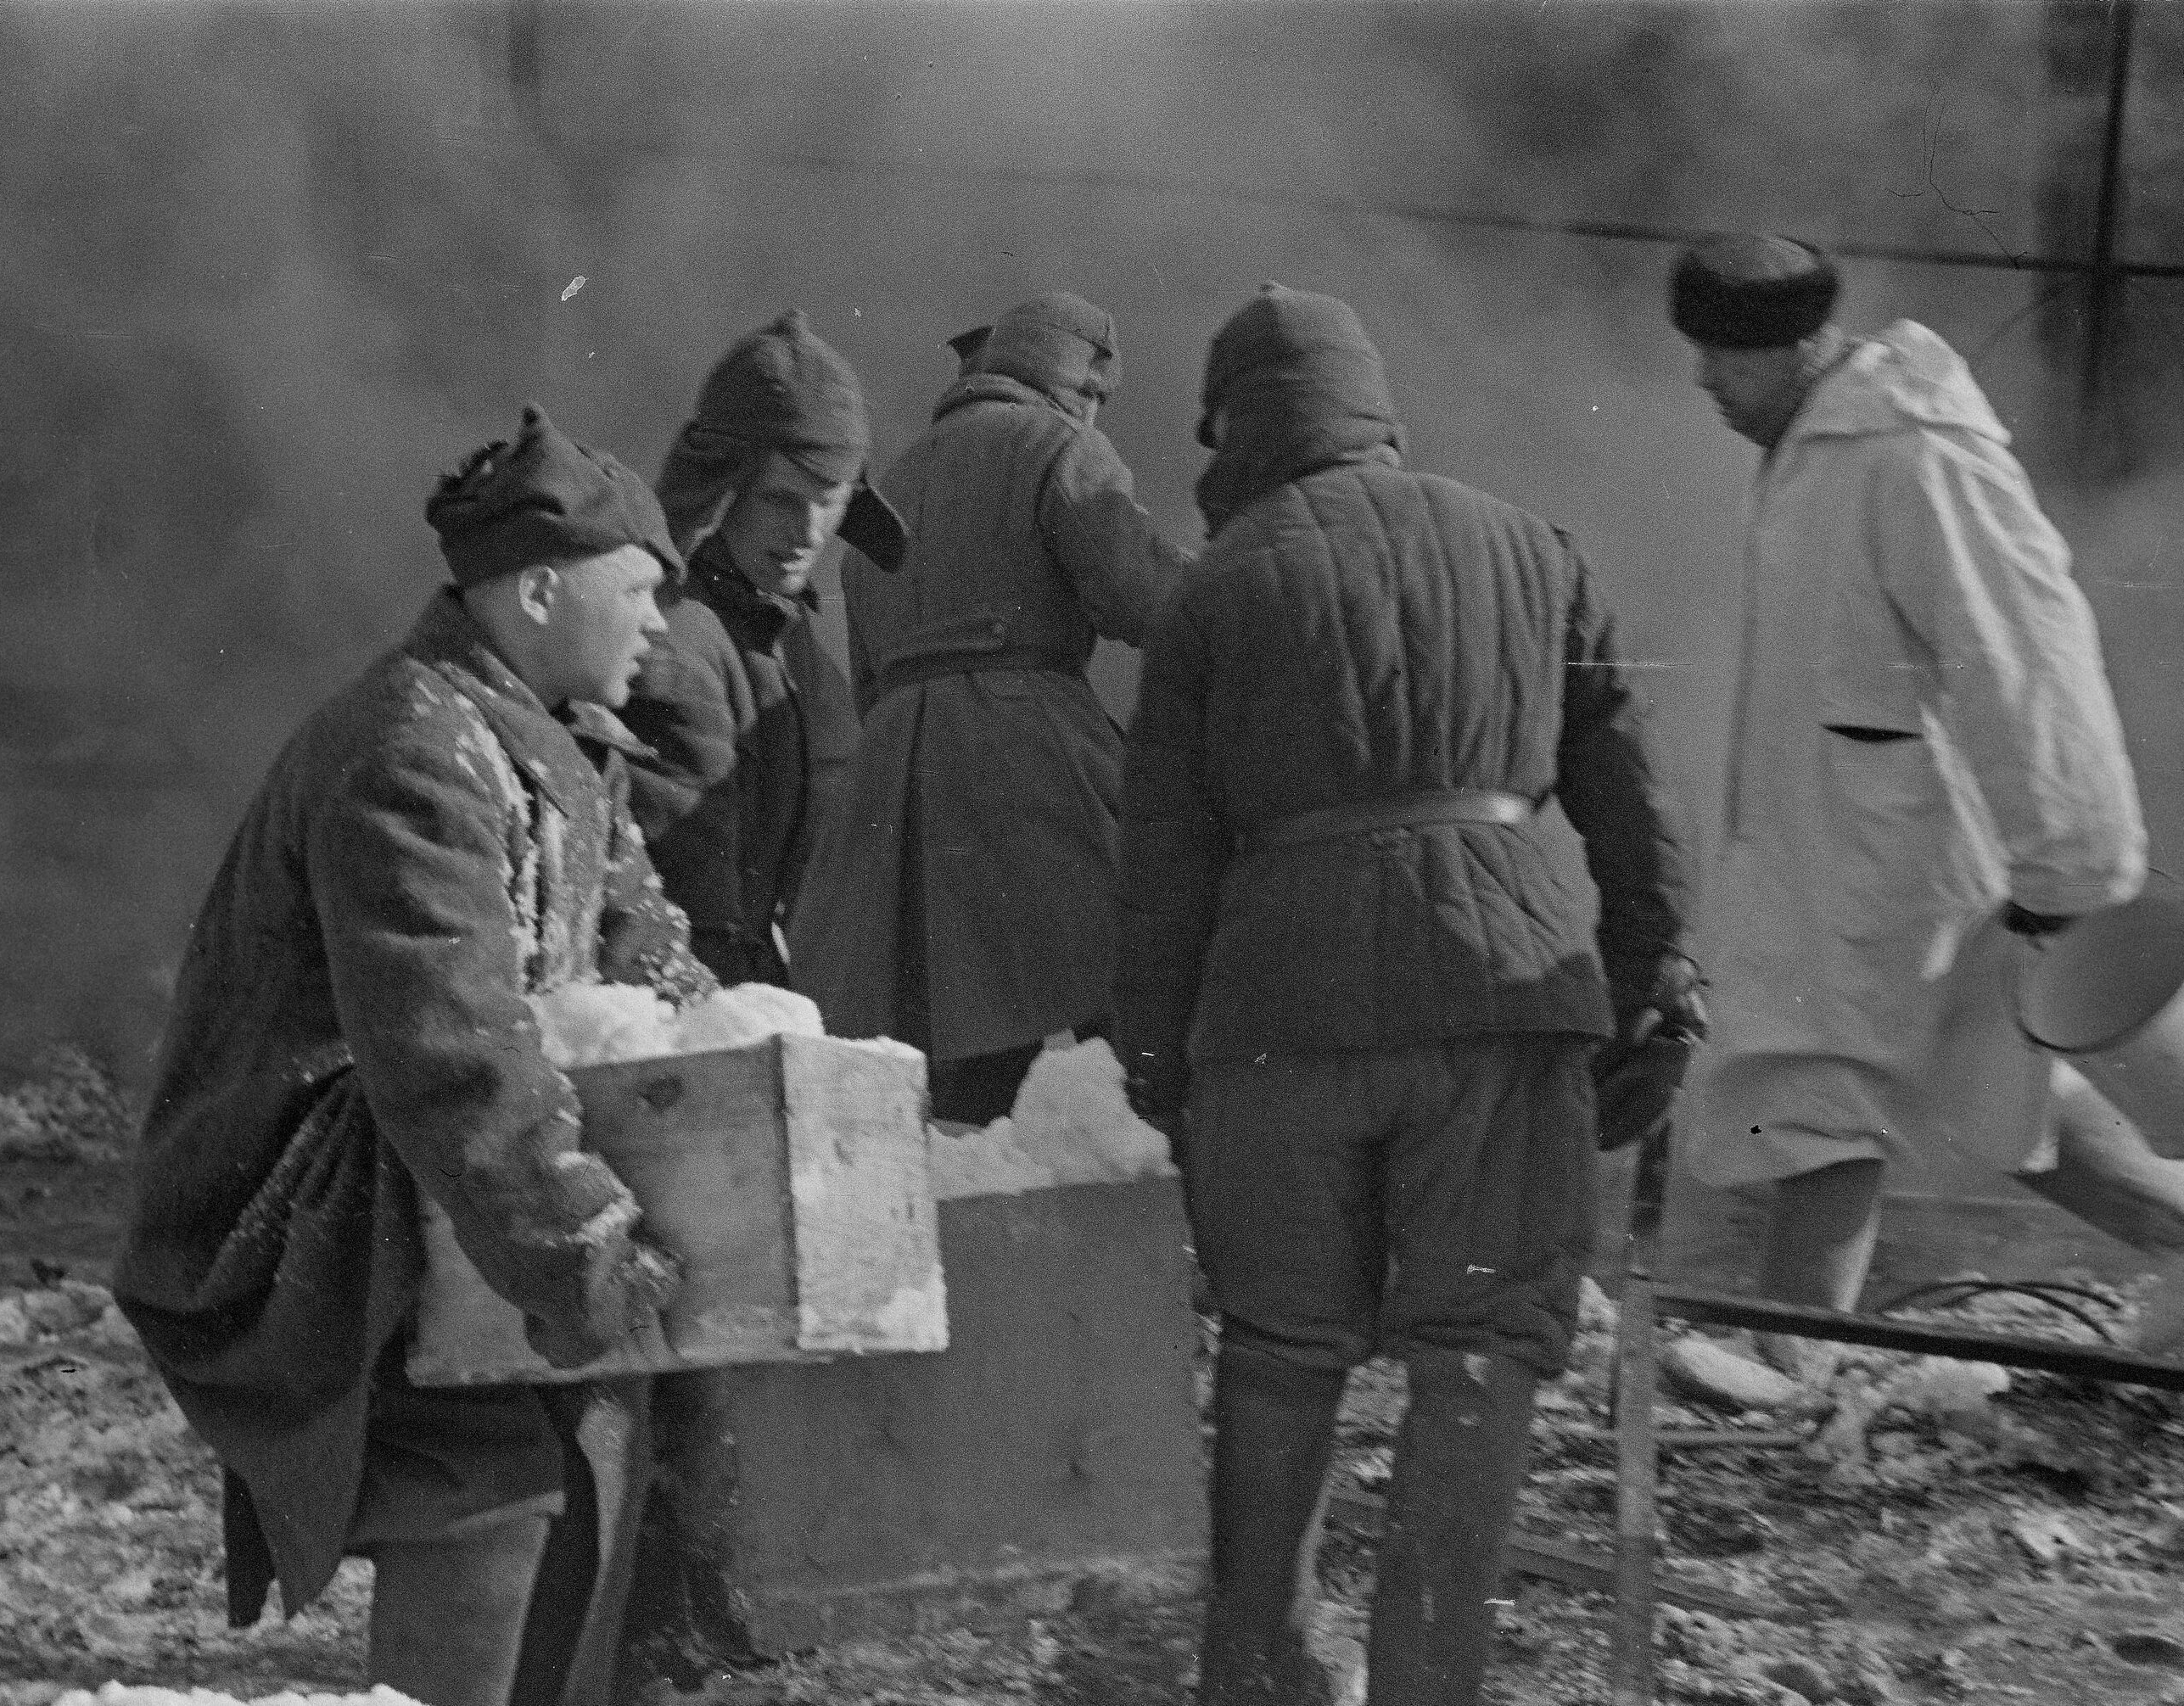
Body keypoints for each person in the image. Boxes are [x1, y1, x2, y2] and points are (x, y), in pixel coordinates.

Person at [1115, 284, 1699, 1706]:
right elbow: (1628, 793)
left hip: (1282, 1016)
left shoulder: (1216, 588)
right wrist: (1649, 982)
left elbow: (1165, 858)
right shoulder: (1529, 548)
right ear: (1373, 411)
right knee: (1482, 1354)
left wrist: (1155, 1062)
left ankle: (1259, 1670)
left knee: (1281, 1349)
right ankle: (1432, 1681)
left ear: (1236, 426)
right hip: (1508, 1000)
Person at [112, 406, 709, 1706]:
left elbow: (658, 971)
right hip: (311, 1209)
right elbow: (451, 1053)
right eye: (641, 593)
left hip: (426, 1181)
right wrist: (587, 1249)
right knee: (487, 1463)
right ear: (542, 590)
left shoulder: (547, 743)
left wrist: (754, 1074)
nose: (663, 625)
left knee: (605, 1418)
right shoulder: (412, 750)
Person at [1671, 233, 2184, 1375]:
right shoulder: (1824, 442)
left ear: (1809, 341)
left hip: (1893, 867)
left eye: (1731, 357)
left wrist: (2079, 867)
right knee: (1982, 1089)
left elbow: (2025, 656)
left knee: (1824, 1097)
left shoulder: (1914, 449)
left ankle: (1791, 1364)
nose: (1707, 380)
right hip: (1854, 856)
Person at [790, 290, 1191, 1124]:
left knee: (956, 1048)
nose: (1092, 412)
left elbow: (868, 678)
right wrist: (1241, 587)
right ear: (1072, 380)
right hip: (1027, 742)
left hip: (895, 773)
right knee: (1136, 981)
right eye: (1093, 395)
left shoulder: (894, 483)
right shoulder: (1058, 448)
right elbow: (1140, 597)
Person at [619, 309, 902, 987]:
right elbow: (690, 925)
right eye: (779, 498)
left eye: (828, 499)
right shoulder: (679, 646)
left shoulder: (794, 651)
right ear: (723, 490)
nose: (807, 531)